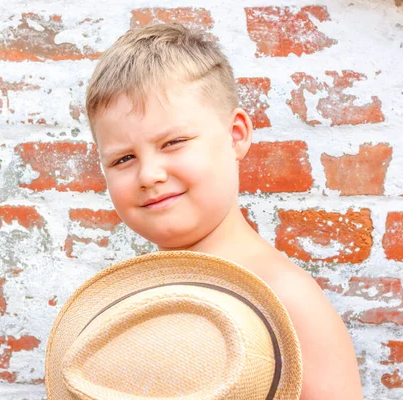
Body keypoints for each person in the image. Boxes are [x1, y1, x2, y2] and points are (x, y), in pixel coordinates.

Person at [84, 23, 364, 399]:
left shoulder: (286, 299)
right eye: (123, 158)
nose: (149, 175)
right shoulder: (128, 301)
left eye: (174, 142)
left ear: (236, 135)